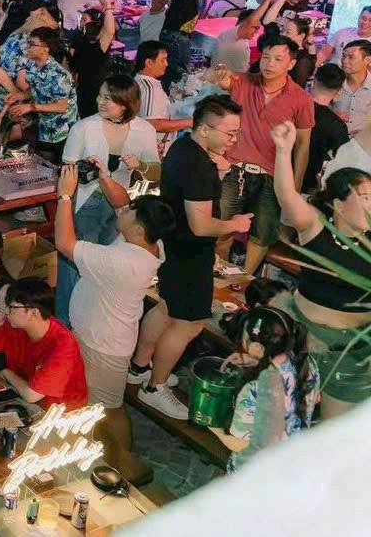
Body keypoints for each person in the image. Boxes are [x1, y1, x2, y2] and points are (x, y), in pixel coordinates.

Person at [130, 95, 252, 421]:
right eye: (229, 133)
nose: (233, 139)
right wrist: (235, 224)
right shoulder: (199, 167)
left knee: (165, 307)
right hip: (190, 252)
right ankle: (154, 387)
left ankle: (139, 367)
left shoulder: (182, 147)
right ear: (204, 128)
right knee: (189, 324)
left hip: (173, 245)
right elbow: (201, 225)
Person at [54, 165, 172, 481]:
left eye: (132, 212)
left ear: (138, 230)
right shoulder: (145, 243)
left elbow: (64, 243)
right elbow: (121, 202)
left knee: (109, 407)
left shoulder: (123, 262)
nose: (125, 209)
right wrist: (104, 176)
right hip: (99, 336)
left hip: (103, 345)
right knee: (98, 403)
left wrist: (65, 196)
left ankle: (125, 462)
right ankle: (104, 452)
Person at [271, 121, 371, 413]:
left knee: (333, 427)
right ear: (339, 205)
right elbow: (287, 196)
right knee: (283, 417)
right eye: (365, 198)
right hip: (300, 339)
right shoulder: (317, 227)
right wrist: (283, 151)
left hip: (350, 352)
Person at [211, 36, 316, 274]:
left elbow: (303, 146)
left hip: (272, 175)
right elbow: (215, 77)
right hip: (234, 169)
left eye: (278, 59)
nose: (269, 64)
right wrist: (217, 72)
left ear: (291, 63)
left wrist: (294, 187)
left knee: (262, 234)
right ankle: (219, 276)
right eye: (266, 57)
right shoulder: (243, 82)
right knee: (223, 229)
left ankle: (245, 279)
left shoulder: (301, 99)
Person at [59, 76, 159, 319]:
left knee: (107, 269)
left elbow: (155, 173)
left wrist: (140, 166)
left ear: (125, 104)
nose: (100, 101)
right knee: (75, 267)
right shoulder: (83, 128)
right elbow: (67, 173)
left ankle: (93, 319)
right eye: (100, 95)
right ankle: (66, 322)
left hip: (121, 207)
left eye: (108, 98)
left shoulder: (144, 130)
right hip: (85, 204)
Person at [213, 306, 319, 472]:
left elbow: (243, 446)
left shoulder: (254, 389)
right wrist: (258, 361)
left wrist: (214, 428)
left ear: (258, 347)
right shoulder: (306, 363)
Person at [0, 277, 89, 409]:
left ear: (34, 312)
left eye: (11, 307)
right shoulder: (14, 324)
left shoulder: (63, 346)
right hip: (21, 391)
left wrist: (6, 372)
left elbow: (32, 395)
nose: (6, 311)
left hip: (59, 410)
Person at [10, 26, 78, 161]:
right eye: (28, 42)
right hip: (44, 125)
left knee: (58, 165)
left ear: (46, 48)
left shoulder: (59, 75)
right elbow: (37, 89)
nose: (27, 47)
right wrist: (19, 96)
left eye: (32, 44)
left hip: (61, 129)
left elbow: (61, 106)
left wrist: (30, 107)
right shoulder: (32, 65)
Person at [133, 40, 193, 154]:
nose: (166, 64)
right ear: (149, 62)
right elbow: (152, 123)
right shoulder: (149, 88)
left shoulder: (141, 80)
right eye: (162, 60)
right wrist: (189, 122)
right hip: (152, 150)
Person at [305, 63, 350, 191]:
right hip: (311, 187)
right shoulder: (337, 125)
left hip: (276, 177)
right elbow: (343, 161)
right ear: (339, 91)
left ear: (314, 81)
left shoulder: (293, 108)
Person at [334, 39, 371, 135]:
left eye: (351, 57)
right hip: (333, 137)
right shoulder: (332, 81)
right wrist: (331, 116)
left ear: (367, 60)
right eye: (343, 56)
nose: (344, 61)